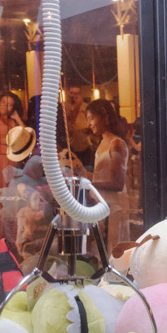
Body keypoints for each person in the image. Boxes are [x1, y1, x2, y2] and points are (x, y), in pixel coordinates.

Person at [73, 99, 129, 251]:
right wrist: (82, 173)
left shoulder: (116, 144)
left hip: (113, 210)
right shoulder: (102, 143)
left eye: (91, 118)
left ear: (104, 117)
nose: (89, 124)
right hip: (101, 208)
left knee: (111, 253)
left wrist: (88, 183)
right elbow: (101, 177)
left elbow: (118, 184)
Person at [0, 91, 25, 207]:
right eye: (3, 102)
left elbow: (24, 138)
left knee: (7, 192)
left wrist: (17, 118)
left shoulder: (12, 123)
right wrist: (6, 140)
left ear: (13, 107)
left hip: (8, 162)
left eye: (10, 104)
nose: (5, 106)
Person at [64, 85, 93, 169]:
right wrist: (77, 105)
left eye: (77, 93)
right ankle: (76, 183)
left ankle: (85, 182)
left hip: (86, 144)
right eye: (72, 93)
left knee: (87, 169)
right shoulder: (65, 106)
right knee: (75, 172)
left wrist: (89, 129)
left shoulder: (85, 106)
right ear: (68, 93)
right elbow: (71, 119)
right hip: (72, 145)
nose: (74, 96)